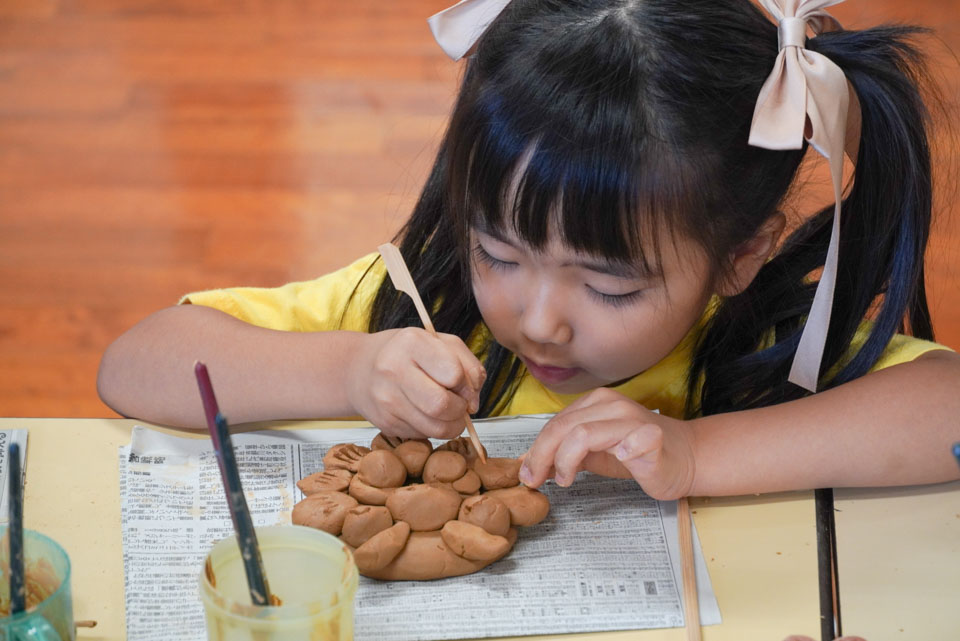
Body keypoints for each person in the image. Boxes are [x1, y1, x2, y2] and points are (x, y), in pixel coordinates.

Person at [98, 0, 960, 500]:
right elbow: (134, 364)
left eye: (610, 288)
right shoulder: (425, 302)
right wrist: (350, 370)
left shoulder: (762, 340)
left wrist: (698, 454)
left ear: (739, 254)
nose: (535, 318)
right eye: (498, 252)